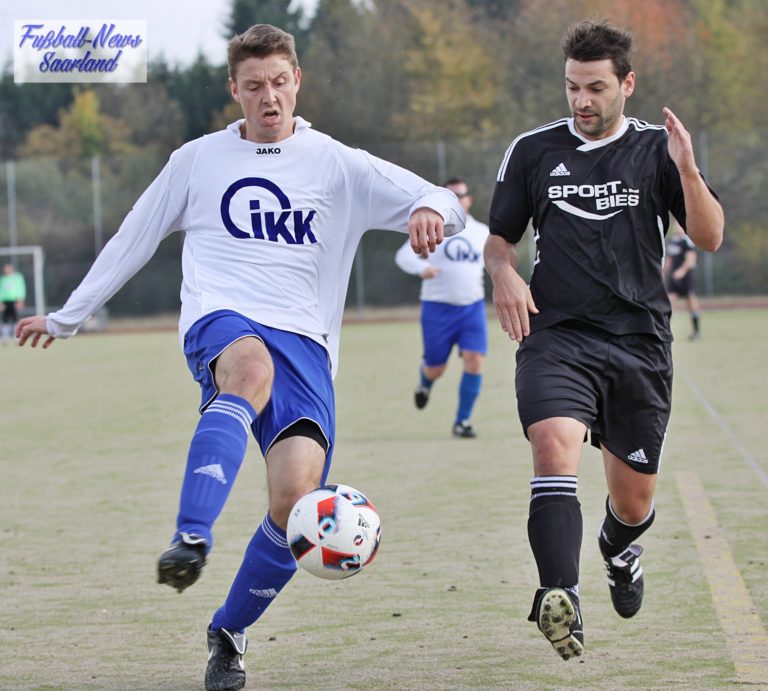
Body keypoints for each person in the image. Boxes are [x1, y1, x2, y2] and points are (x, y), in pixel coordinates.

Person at [15, 24, 465, 691]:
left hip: (307, 345)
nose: (269, 97)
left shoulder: (336, 162)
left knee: (294, 503)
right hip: (221, 317)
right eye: (254, 86)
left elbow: (441, 200)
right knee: (249, 370)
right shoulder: (197, 160)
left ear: (297, 81)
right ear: (235, 89)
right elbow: (133, 237)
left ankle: (228, 631)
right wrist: (67, 316)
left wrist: (432, 211)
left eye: (279, 82)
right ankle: (191, 534)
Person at [484, 19, 723, 660]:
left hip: (640, 344)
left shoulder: (656, 150)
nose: (581, 101)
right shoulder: (533, 151)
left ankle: (618, 552)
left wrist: (690, 172)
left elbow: (710, 237)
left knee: (633, 500)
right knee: (553, 445)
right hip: (556, 335)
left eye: (595, 87)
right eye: (572, 87)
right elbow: (499, 241)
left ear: (627, 84)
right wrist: (503, 272)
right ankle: (561, 595)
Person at [395, 176, 489, 438]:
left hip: (473, 307)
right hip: (437, 308)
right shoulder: (433, 227)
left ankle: (463, 422)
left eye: (461, 195)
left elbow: (498, 258)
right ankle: (425, 382)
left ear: (469, 200)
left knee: (475, 360)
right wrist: (422, 268)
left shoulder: (482, 232)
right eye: (451, 196)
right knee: (436, 367)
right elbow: (403, 255)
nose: (457, 201)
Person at [664, 221, 703, 340]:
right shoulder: (673, 241)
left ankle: (696, 332)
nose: (677, 227)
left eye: (679, 225)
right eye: (675, 225)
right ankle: (666, 332)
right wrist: (661, 273)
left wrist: (682, 271)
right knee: (668, 303)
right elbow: (669, 260)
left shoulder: (687, 240)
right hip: (674, 278)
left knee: (691, 303)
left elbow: (691, 259)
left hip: (686, 278)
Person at [1, 262, 26, 345]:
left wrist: (20, 300)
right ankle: (5, 337)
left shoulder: (17, 278)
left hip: (15, 301)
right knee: (5, 319)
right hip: (5, 301)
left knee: (15, 319)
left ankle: (16, 336)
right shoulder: (2, 279)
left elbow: (20, 288)